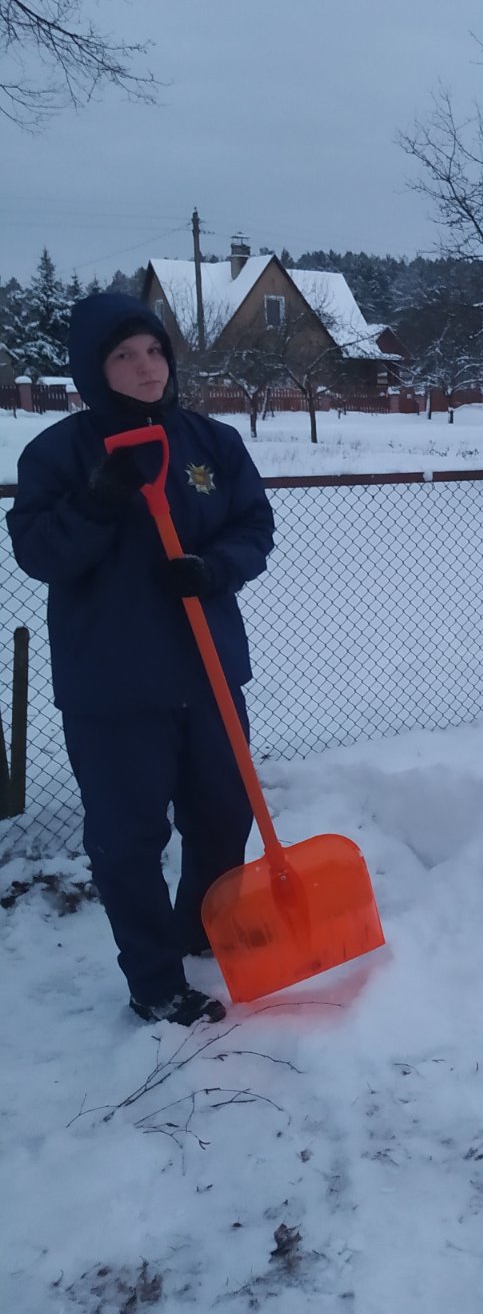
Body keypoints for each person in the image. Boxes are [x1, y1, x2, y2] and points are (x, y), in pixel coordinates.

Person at [7, 292, 274, 1027]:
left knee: (222, 816)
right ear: (93, 369)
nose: (146, 367)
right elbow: (40, 553)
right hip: (113, 684)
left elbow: (253, 524)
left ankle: (202, 929)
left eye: (154, 350)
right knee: (128, 839)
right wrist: (97, 501)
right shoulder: (57, 453)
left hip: (208, 670)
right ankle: (155, 980)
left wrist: (215, 569)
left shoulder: (212, 442)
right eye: (123, 355)